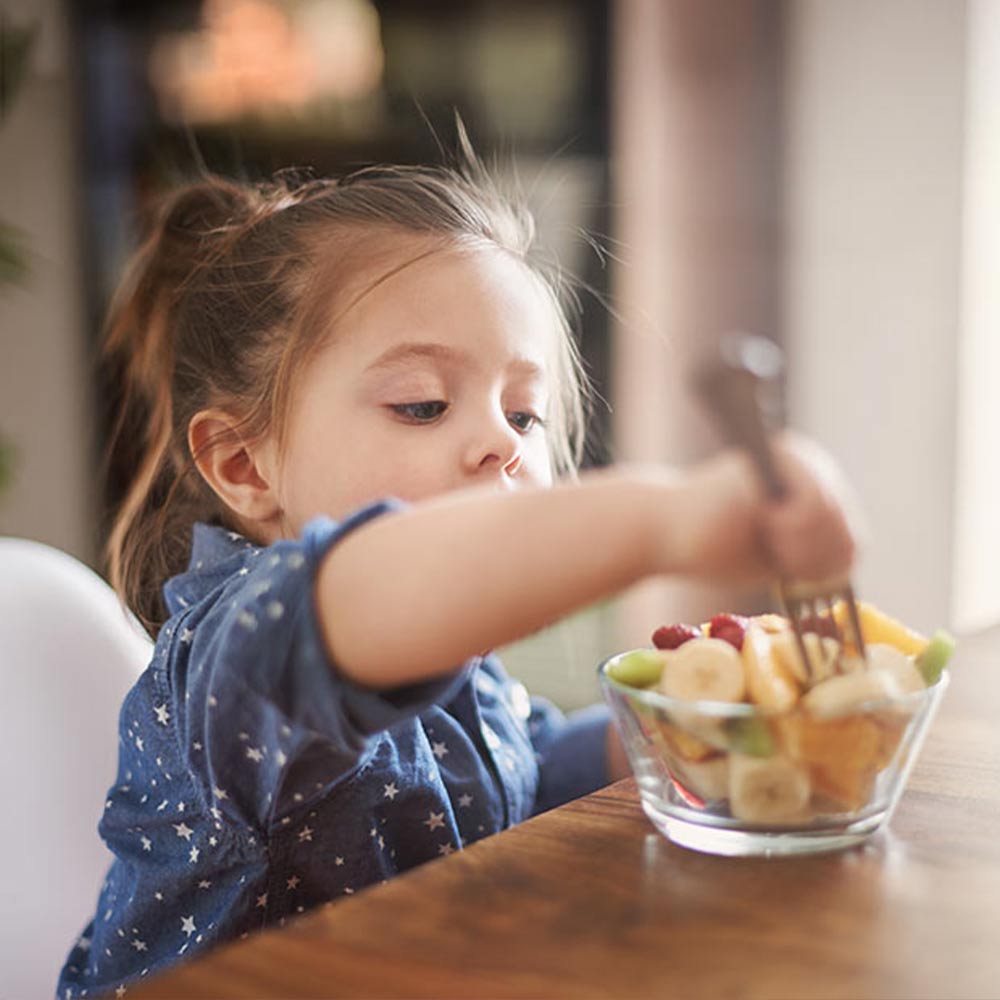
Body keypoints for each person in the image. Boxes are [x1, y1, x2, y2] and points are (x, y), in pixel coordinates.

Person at [58, 149, 857, 998]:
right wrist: (668, 517)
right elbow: (372, 587)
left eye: (524, 413)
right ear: (244, 464)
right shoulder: (238, 657)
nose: (503, 443)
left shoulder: (449, 652)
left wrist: (670, 726)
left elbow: (521, 770)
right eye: (423, 405)